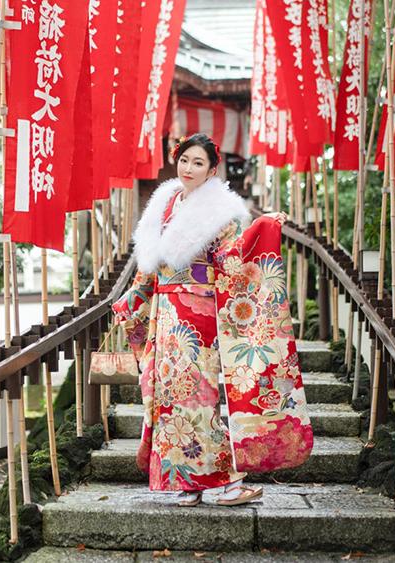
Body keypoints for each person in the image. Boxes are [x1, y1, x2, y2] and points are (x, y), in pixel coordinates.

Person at [112, 133, 313, 507]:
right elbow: (151, 265)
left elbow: (233, 260)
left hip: (200, 313)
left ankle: (222, 483)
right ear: (176, 160)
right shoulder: (165, 203)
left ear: (212, 169)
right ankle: (185, 481)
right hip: (166, 314)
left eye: (198, 163)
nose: (189, 168)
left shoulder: (220, 211)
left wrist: (263, 227)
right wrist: (134, 298)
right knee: (169, 399)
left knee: (200, 396)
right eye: (185, 159)